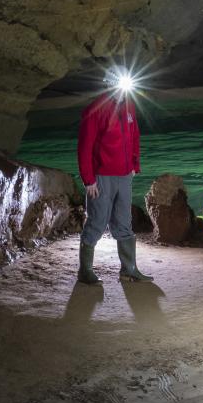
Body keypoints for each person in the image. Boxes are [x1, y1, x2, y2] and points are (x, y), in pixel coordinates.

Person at [76, 73, 151, 284]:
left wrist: (135, 165)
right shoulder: (95, 110)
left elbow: (134, 135)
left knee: (124, 222)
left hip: (125, 175)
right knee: (97, 221)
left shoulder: (129, 106)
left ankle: (129, 269)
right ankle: (85, 271)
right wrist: (88, 179)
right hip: (102, 176)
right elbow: (85, 148)